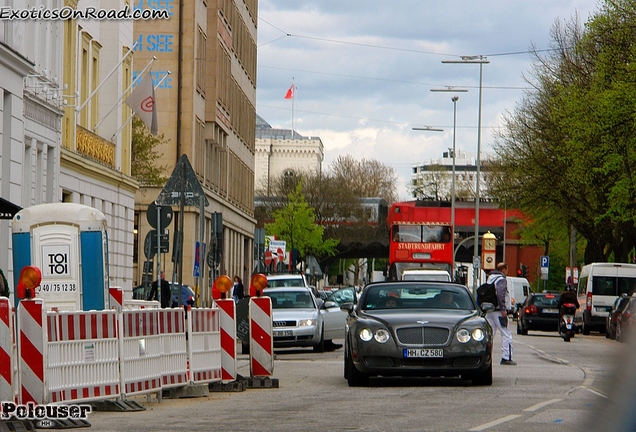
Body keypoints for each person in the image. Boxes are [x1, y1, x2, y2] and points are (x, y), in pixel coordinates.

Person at [485, 262, 517, 365]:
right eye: (506, 270)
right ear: (503, 270)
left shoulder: (490, 278)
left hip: (489, 310)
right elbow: (501, 294)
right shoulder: (501, 279)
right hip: (499, 311)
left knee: (489, 334)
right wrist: (503, 309)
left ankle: (484, 354)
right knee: (506, 334)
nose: (507, 272)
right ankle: (506, 357)